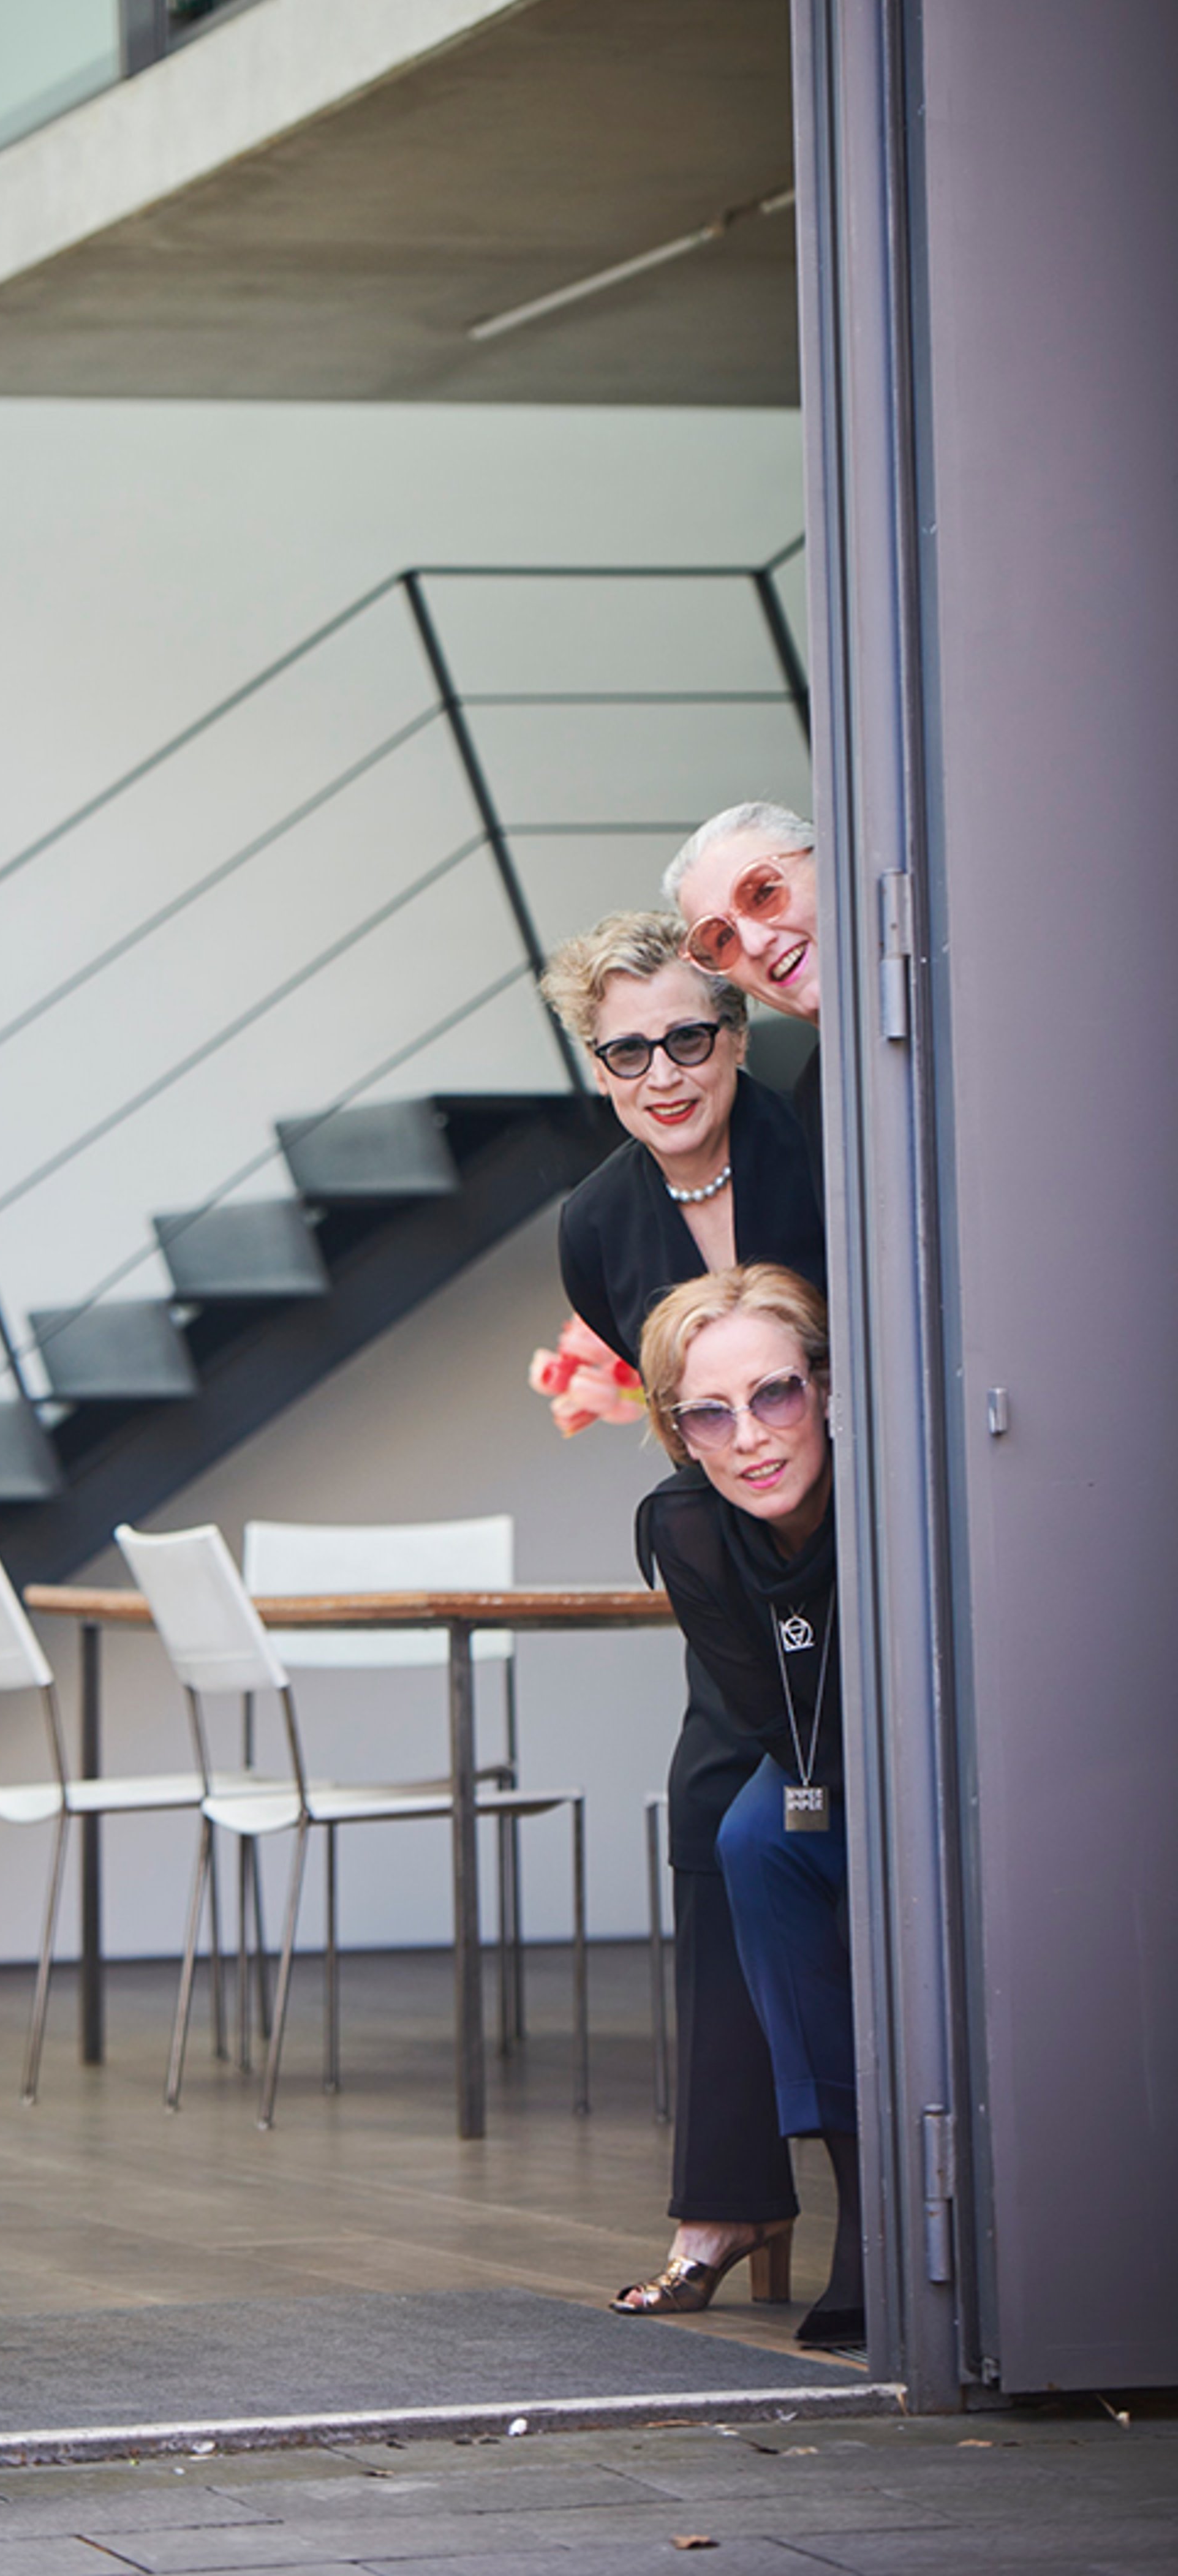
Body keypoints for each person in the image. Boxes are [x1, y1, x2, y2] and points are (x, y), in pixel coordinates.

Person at [538, 913, 826, 2319]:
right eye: (627, 1048)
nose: (663, 1070)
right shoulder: (596, 1224)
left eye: (688, 1035)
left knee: (805, 1829)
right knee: (709, 1808)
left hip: (869, 1529)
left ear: (737, 1034)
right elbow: (673, 1410)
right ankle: (727, 2199)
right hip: (735, 1559)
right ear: (599, 1066)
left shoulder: (820, 1148)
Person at [636, 1264, 862, 2351]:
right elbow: (770, 1714)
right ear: (680, 1434)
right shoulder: (685, 1525)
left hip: (933, 1739)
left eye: (775, 1395)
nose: (751, 1440)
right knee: (753, 1837)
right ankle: (866, 2205)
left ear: (823, 1385)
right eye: (709, 1415)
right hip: (814, 1745)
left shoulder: (884, 1477)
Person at [665, 801, 823, 1183]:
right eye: (723, 939)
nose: (755, 943)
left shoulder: (968, 988)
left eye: (764, 894)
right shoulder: (816, 1104)